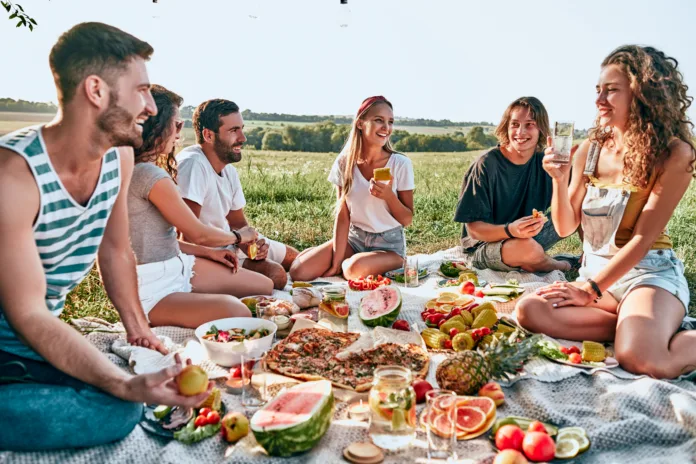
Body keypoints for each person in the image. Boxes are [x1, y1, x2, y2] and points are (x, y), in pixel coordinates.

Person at [0, 23, 212, 451]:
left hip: (29, 346)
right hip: (16, 342)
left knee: (121, 397)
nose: (152, 107)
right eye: (142, 90)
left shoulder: (117, 158)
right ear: (96, 91)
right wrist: (124, 385)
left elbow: (115, 250)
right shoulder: (13, 178)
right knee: (119, 404)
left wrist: (139, 329)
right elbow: (27, 313)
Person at [515, 45, 695, 379]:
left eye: (611, 91)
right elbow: (566, 225)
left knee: (641, 359)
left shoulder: (674, 153)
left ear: (643, 94)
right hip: (598, 278)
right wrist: (558, 178)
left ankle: (642, 331)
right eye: (598, 90)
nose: (599, 100)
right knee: (530, 311)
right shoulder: (590, 149)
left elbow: (642, 240)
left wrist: (589, 290)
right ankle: (634, 326)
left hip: (647, 275)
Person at [130, 85, 273, 328]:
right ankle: (189, 306)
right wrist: (240, 236)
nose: (179, 132)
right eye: (176, 124)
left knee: (266, 286)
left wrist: (210, 253)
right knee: (238, 311)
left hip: (176, 266)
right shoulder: (150, 176)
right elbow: (197, 232)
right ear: (157, 127)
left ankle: (196, 302)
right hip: (153, 286)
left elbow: (162, 239)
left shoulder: (143, 170)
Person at [289, 96, 415, 281]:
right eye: (378, 120)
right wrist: (335, 262)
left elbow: (407, 219)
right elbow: (343, 214)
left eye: (390, 122)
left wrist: (389, 196)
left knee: (351, 269)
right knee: (299, 272)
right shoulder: (344, 163)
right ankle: (344, 260)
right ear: (360, 124)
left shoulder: (400, 164)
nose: (386, 128)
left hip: (388, 246)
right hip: (354, 240)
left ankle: (389, 264)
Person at [176, 99, 298, 290]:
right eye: (233, 131)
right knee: (278, 276)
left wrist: (253, 249)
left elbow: (238, 223)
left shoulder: (228, 169)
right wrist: (238, 239)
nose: (242, 138)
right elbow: (188, 236)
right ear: (208, 135)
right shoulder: (193, 165)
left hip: (231, 241)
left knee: (296, 259)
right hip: (207, 254)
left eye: (241, 128)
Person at [454, 97, 576, 273]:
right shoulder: (486, 165)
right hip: (486, 246)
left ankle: (590, 260)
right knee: (528, 250)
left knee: (580, 205)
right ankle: (565, 265)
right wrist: (511, 230)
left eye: (529, 124)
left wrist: (563, 176)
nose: (520, 132)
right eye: (515, 124)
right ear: (506, 127)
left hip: (530, 234)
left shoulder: (545, 162)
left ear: (541, 129)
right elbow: (474, 230)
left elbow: (574, 201)